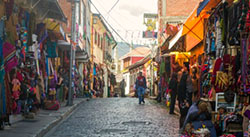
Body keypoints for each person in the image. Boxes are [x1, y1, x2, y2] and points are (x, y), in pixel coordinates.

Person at [178, 62, 193, 129]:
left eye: (183, 67)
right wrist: (186, 100)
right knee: (184, 114)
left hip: (183, 99)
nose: (182, 68)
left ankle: (183, 127)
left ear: (186, 68)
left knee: (183, 114)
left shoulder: (185, 76)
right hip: (184, 99)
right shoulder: (185, 76)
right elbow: (188, 89)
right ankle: (184, 128)